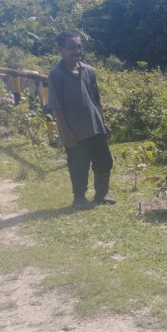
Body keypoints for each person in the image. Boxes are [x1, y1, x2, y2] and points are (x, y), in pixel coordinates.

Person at [48, 30, 115, 209]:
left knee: (104, 160)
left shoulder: (88, 70)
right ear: (60, 49)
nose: (77, 51)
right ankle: (79, 198)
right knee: (79, 165)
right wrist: (66, 132)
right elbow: (57, 106)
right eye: (72, 47)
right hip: (74, 129)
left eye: (79, 46)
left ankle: (102, 193)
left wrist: (103, 121)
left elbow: (96, 98)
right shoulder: (56, 74)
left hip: (95, 125)